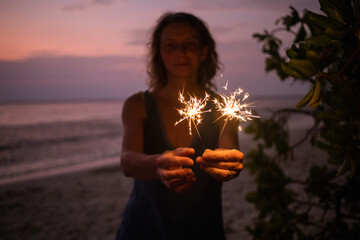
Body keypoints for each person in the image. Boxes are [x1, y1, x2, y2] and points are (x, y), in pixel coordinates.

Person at [116, 12, 244, 240]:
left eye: (190, 44)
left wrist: (228, 166)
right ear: (159, 53)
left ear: (204, 51)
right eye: (171, 45)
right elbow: (128, 161)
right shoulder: (137, 105)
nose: (181, 53)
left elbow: (229, 156)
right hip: (143, 229)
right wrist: (158, 164)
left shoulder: (224, 108)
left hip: (204, 230)